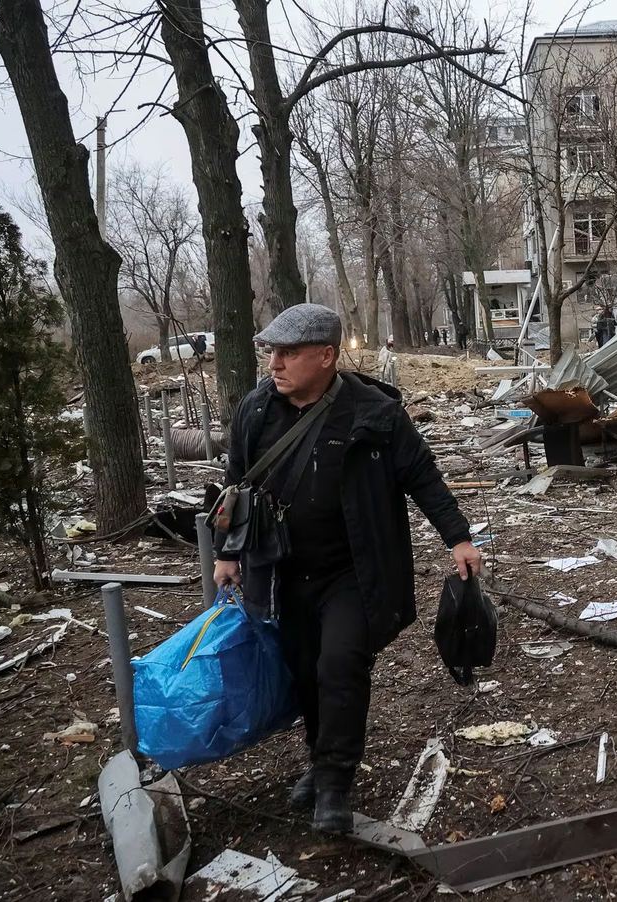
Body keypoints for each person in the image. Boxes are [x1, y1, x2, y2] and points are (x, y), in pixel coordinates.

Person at [213, 304, 481, 834]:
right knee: (306, 669)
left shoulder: (374, 412)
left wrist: (459, 537)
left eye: (289, 353)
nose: (276, 363)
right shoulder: (256, 411)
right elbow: (235, 484)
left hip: (355, 572)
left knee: (340, 665)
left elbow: (421, 475)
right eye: (272, 351)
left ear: (327, 356)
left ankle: (334, 782)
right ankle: (319, 759)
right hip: (283, 571)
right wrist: (226, 552)